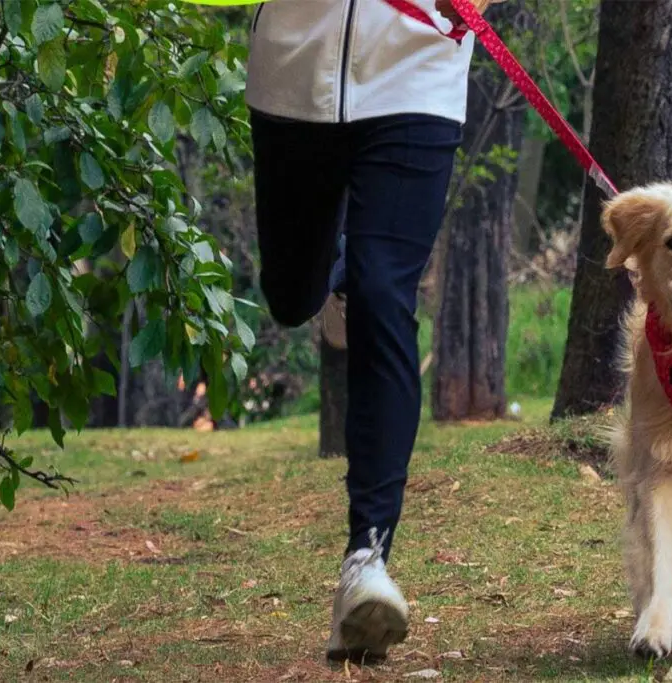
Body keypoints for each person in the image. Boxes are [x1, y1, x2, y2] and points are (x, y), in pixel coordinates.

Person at [244, 0, 504, 663]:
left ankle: (367, 556)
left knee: (385, 289)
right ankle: (338, 272)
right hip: (295, 67)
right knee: (290, 294)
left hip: (416, 66)